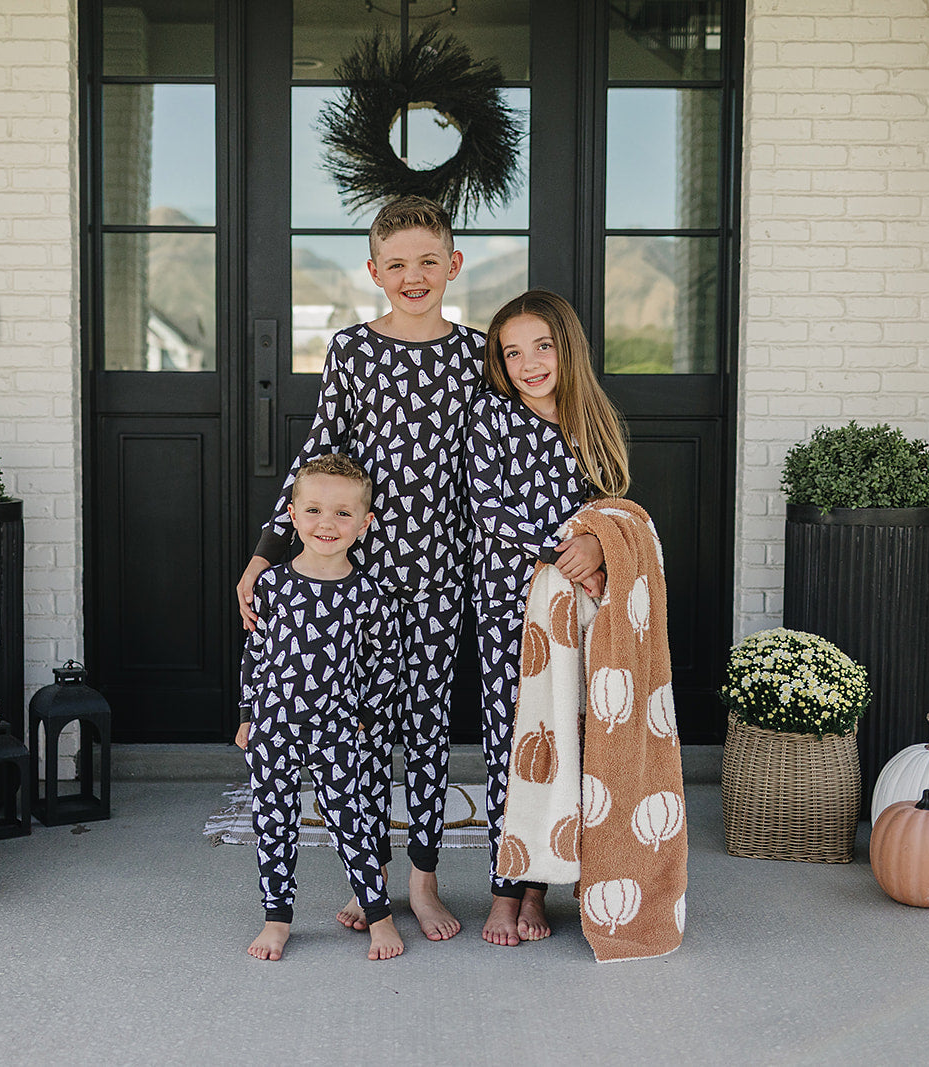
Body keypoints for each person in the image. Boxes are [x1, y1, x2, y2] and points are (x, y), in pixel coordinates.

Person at [236, 195, 483, 941]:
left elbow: (496, 461)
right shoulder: (353, 352)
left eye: (429, 261)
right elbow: (318, 457)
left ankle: (424, 882)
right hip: (357, 579)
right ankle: (368, 882)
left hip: (440, 576)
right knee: (362, 735)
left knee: (428, 730)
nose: (414, 276)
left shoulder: (476, 355)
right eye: (397, 264)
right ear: (374, 272)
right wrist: (265, 552)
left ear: (453, 265)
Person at [466, 289, 631, 947]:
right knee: (515, 743)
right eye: (512, 353)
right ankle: (505, 890)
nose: (529, 363)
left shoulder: (595, 423)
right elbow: (490, 508)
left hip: (577, 609)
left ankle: (541, 886)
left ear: (567, 348)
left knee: (567, 735)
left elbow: (613, 507)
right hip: (510, 603)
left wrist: (598, 551)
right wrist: (568, 554)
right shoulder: (492, 416)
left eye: (541, 346)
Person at [234, 454, 403, 961]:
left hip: (336, 728)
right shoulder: (272, 586)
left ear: (364, 523)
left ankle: (379, 915)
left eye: (343, 513)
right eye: (313, 510)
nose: (326, 523)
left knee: (353, 821)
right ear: (292, 515)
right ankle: (277, 920)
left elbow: (386, 661)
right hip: (274, 724)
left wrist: (365, 716)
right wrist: (247, 715)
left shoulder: (369, 593)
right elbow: (255, 654)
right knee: (273, 823)